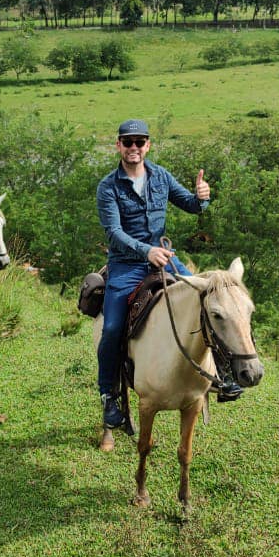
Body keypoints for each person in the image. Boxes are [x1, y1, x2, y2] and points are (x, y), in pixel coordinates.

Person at [95, 118, 219, 429]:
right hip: (126, 264)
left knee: (206, 298)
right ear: (119, 146)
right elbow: (113, 232)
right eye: (128, 142)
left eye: (140, 142)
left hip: (163, 258)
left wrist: (202, 198)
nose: (134, 147)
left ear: (148, 145)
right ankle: (108, 395)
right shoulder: (108, 187)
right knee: (111, 328)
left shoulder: (161, 176)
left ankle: (218, 374)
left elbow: (190, 205)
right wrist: (145, 250)